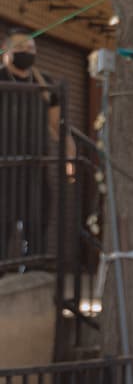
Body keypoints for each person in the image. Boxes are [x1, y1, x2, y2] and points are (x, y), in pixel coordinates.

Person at [1, 29, 63, 259]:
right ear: (6, 52)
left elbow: (57, 124)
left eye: (31, 48)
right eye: (20, 48)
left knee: (37, 224)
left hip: (36, 167)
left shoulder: (44, 82)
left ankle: (32, 271)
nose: (27, 52)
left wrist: (69, 150)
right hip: (4, 168)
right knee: (3, 227)